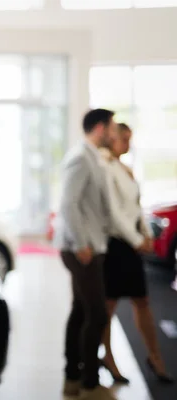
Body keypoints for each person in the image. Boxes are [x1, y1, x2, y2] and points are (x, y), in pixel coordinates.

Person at [99, 123, 174, 384]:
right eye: (124, 139)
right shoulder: (105, 168)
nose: (128, 144)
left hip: (130, 245)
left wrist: (146, 235)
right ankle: (108, 357)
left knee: (142, 301)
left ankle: (155, 357)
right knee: (108, 307)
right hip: (115, 244)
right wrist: (135, 240)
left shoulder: (125, 169)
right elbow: (113, 213)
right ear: (112, 139)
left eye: (129, 139)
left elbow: (135, 207)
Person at [54, 109, 116, 400]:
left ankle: (73, 378)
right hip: (81, 248)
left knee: (81, 311)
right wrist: (81, 244)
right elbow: (68, 204)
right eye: (112, 127)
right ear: (101, 128)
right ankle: (89, 382)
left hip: (89, 245)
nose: (114, 133)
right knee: (97, 313)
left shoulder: (91, 157)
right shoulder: (81, 157)